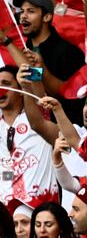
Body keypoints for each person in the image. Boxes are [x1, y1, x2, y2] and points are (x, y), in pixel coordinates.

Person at [0, 65, 61, 207]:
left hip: (42, 212)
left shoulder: (38, 116)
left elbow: (33, 71)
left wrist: (8, 42)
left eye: (6, 84)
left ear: (20, 89)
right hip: (7, 215)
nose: (1, 89)